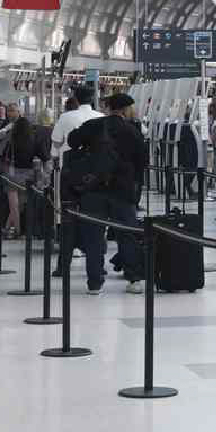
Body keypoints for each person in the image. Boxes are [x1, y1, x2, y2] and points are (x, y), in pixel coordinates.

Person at [64, 93, 146, 295]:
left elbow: (72, 141)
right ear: (126, 109)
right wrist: (136, 192)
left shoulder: (94, 125)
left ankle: (94, 282)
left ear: (109, 108)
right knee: (127, 234)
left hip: (93, 188)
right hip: (123, 190)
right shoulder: (132, 130)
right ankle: (133, 279)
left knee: (93, 236)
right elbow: (142, 163)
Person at [51, 85, 104, 276]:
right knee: (96, 220)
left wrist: (58, 153)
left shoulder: (66, 117)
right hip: (96, 175)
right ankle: (98, 267)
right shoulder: (101, 117)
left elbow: (56, 143)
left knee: (68, 219)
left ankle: (63, 266)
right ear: (93, 98)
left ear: (76, 98)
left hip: (70, 173)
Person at [2, 113, 46, 238]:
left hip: (12, 174)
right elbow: (45, 157)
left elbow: (2, 154)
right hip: (28, 175)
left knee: (14, 206)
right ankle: (7, 228)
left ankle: (17, 230)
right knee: (20, 205)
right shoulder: (34, 140)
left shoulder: (11, 140)